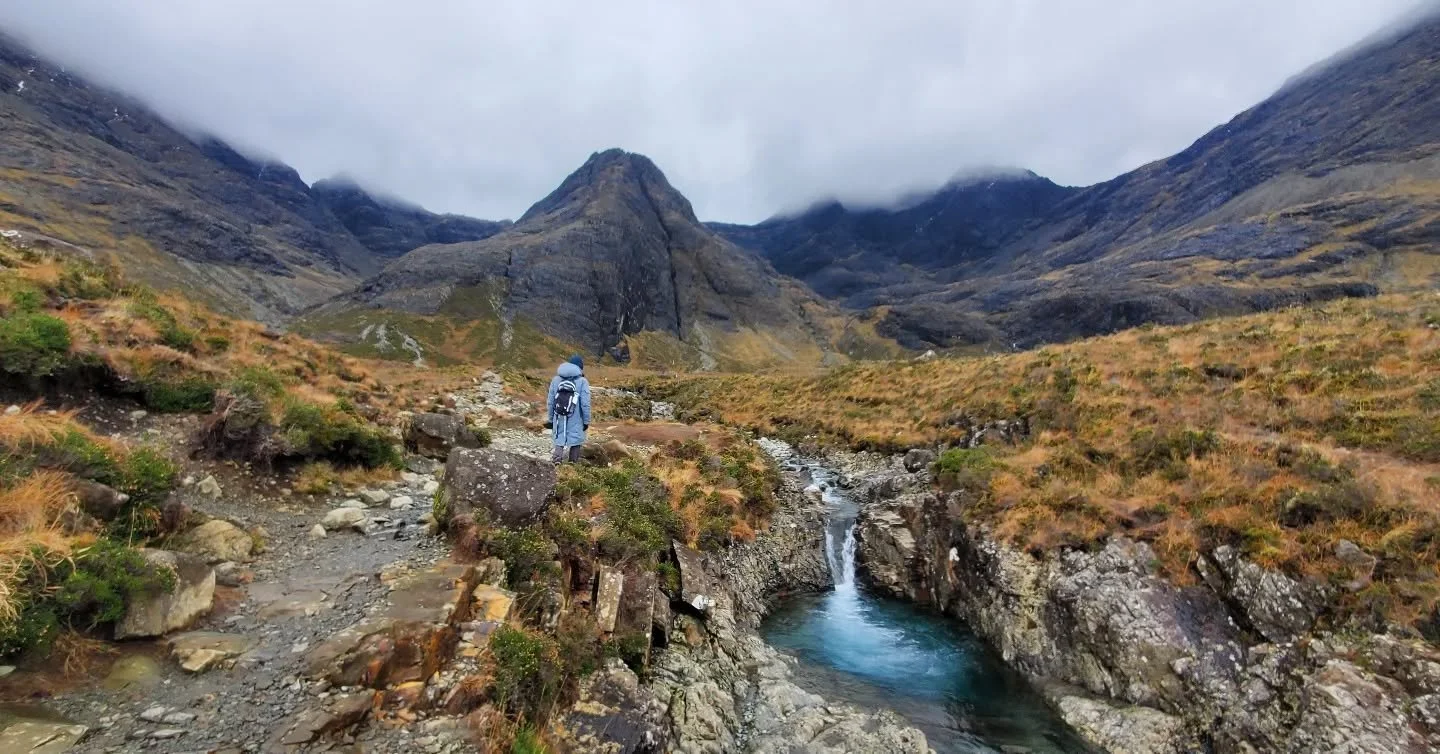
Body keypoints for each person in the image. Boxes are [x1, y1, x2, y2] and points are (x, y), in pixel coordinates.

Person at [545, 355, 592, 464]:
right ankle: (572, 464)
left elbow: (551, 401)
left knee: (559, 439)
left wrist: (551, 419)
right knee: (576, 441)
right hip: (576, 418)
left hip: (559, 416)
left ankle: (556, 461)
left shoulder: (556, 379)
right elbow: (585, 404)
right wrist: (586, 421)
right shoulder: (582, 381)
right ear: (580, 368)